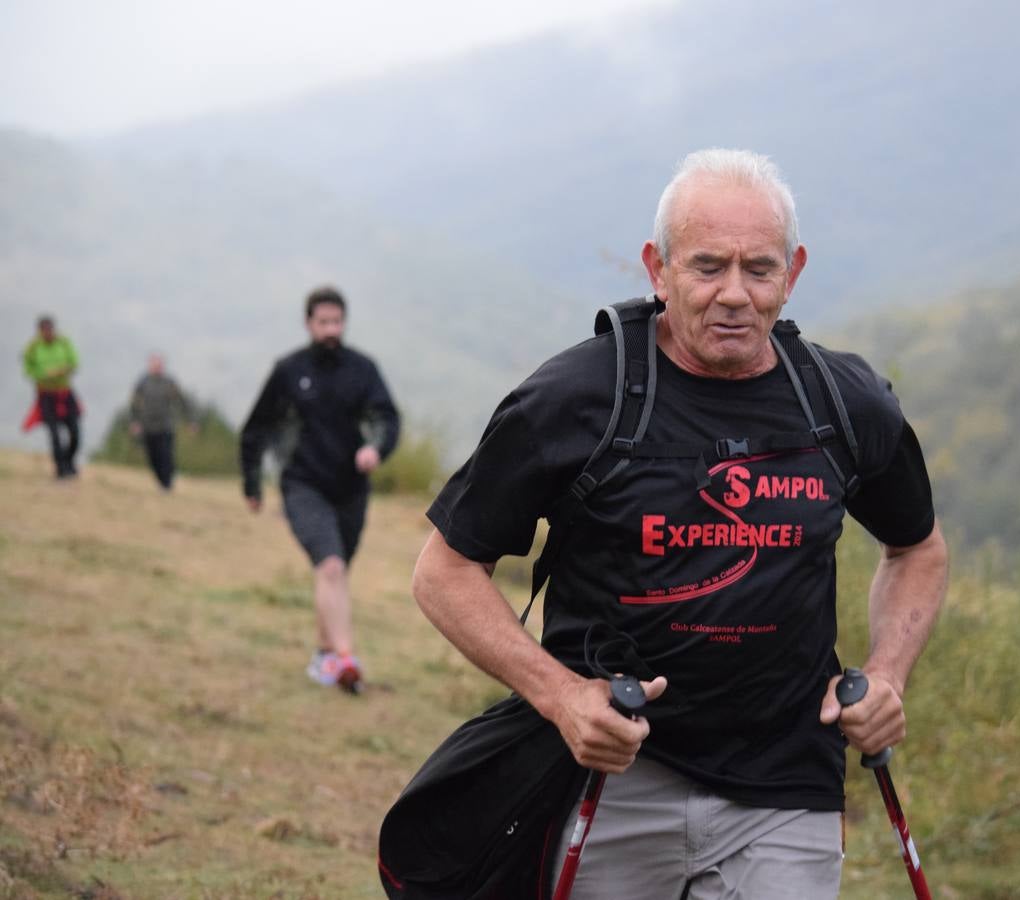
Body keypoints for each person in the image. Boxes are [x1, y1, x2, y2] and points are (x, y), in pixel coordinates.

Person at [401, 149, 948, 898]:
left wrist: (887, 675)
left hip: (787, 785)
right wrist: (563, 698)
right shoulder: (576, 399)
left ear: (794, 272)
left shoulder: (843, 404)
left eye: (759, 270)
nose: (734, 295)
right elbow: (443, 571)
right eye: (707, 267)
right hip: (614, 776)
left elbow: (916, 547)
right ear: (657, 269)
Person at [239, 286, 400, 694]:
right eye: (323, 322)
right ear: (309, 323)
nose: (331, 329)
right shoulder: (289, 370)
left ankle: (323, 656)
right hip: (302, 484)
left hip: (351, 488)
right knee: (331, 567)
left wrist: (375, 448)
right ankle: (347, 660)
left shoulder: (363, 369)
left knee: (336, 571)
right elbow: (255, 428)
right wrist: (252, 483)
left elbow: (387, 417)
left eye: (337, 321)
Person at [21, 315, 82, 479]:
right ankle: (61, 470)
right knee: (54, 434)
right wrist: (44, 374)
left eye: (50, 330)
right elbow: (28, 369)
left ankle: (69, 462)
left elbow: (75, 362)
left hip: (65, 392)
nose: (48, 333)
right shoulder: (33, 348)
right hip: (46, 394)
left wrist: (64, 369)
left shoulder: (64, 343)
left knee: (75, 432)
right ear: (40, 332)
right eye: (44, 331)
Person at [129, 353, 192, 491]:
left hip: (166, 426)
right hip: (148, 427)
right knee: (153, 457)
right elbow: (134, 404)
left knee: (166, 456)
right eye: (154, 365)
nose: (156, 367)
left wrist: (190, 420)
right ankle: (161, 481)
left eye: (159, 365)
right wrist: (134, 422)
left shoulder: (169, 383)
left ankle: (167, 484)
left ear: (162, 366)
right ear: (150, 366)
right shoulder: (143, 383)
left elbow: (182, 401)